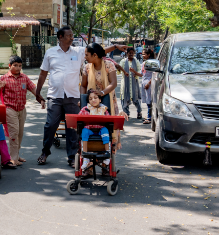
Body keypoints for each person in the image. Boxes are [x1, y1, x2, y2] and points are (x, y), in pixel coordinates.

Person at [35, 26, 124, 167]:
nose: (72, 38)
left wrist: (115, 46)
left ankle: (72, 157)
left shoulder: (78, 51)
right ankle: (45, 152)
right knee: (50, 125)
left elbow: (99, 52)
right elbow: (43, 73)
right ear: (60, 37)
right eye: (69, 35)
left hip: (72, 96)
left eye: (71, 35)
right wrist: (37, 92)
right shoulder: (50, 53)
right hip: (55, 96)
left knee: (72, 128)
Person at [0, 55, 37, 166]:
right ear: (9, 66)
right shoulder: (4, 78)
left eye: (20, 66)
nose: (18, 68)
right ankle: (13, 158)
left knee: (20, 134)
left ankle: (16, 155)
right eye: (15, 65)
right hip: (10, 109)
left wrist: (40, 99)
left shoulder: (24, 77)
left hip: (22, 109)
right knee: (14, 133)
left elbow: (33, 88)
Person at [78, 89, 111, 175]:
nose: (93, 100)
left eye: (95, 98)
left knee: (105, 130)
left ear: (100, 99)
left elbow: (109, 120)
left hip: (100, 131)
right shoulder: (85, 109)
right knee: (84, 130)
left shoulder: (104, 109)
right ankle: (85, 157)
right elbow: (78, 120)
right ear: (88, 100)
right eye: (90, 98)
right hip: (89, 131)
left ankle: (107, 153)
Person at [121, 47, 143, 119]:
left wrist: (134, 72)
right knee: (124, 99)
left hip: (134, 83)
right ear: (127, 53)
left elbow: (140, 72)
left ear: (134, 53)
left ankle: (139, 112)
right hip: (125, 84)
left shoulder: (136, 61)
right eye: (129, 53)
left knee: (136, 99)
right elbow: (118, 71)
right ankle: (126, 114)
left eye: (132, 53)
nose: (131, 54)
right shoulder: (123, 61)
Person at [141, 48, 155, 125]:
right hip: (144, 83)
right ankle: (149, 116)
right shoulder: (144, 63)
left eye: (144, 54)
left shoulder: (151, 63)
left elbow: (154, 74)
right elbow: (142, 74)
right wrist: (134, 72)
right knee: (147, 101)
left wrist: (148, 83)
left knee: (149, 101)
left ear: (148, 54)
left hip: (149, 84)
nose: (143, 55)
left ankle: (149, 117)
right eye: (142, 54)